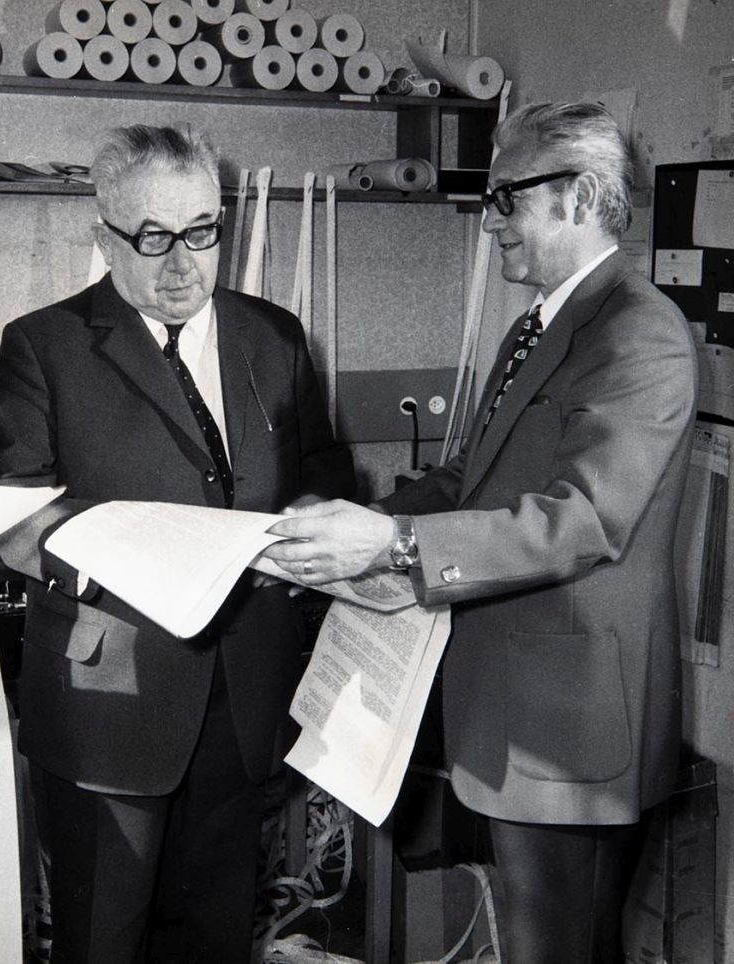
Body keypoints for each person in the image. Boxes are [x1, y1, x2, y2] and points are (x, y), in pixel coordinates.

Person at [264, 102, 697, 963]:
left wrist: (390, 549)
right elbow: (472, 477)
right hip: (512, 716)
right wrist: (354, 525)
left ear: (576, 198)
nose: (489, 219)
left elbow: (579, 521)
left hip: (569, 738)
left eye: (506, 197)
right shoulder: (540, 324)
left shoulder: (640, 333)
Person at [0, 124, 355, 963]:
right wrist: (142, 558)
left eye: (203, 233)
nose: (183, 263)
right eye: (152, 238)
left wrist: (317, 525)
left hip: (246, 697)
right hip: (112, 708)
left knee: (214, 938)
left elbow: (321, 468)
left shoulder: (276, 337)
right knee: (103, 940)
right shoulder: (46, 344)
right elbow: (8, 516)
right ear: (103, 235)